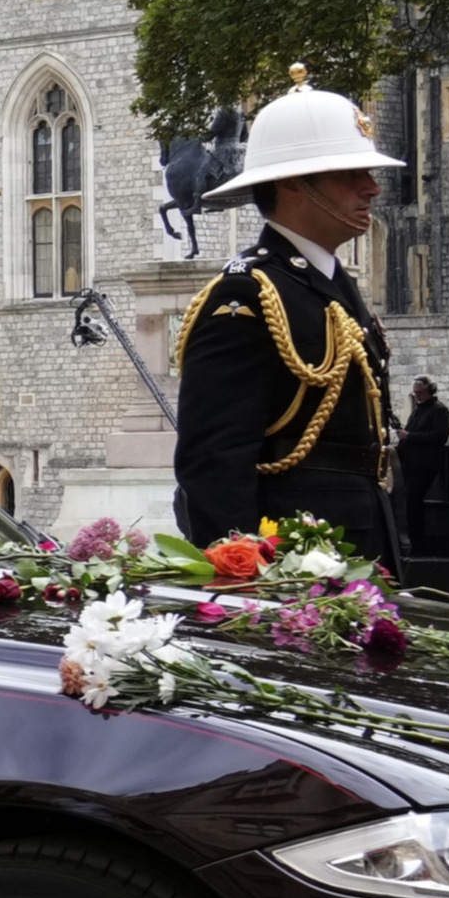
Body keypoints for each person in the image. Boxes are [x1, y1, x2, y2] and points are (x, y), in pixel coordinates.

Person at [172, 69, 404, 558]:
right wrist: (244, 585)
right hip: (293, 562)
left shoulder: (329, 284)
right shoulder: (246, 295)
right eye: (350, 174)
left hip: (358, 542)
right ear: (295, 185)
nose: (371, 188)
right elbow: (215, 464)